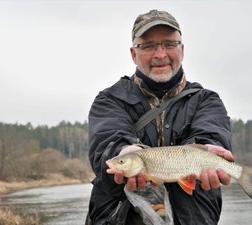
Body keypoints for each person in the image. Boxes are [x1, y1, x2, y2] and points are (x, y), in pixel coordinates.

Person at [86, 9, 233, 225]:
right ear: (133, 54)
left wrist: (208, 148)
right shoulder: (109, 100)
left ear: (182, 50)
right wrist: (125, 152)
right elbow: (107, 143)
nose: (160, 54)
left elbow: (211, 135)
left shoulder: (206, 100)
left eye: (169, 44)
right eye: (148, 46)